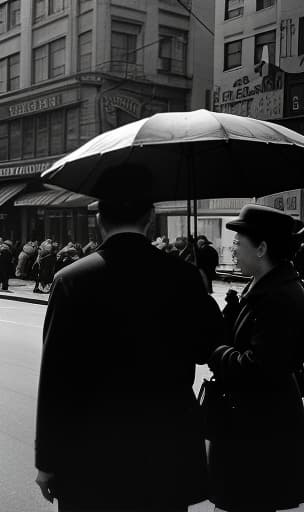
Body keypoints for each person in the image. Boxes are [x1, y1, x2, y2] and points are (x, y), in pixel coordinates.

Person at [35, 192, 224, 511]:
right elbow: (206, 348)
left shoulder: (70, 280)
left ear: (99, 220)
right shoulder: (182, 276)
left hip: (91, 450)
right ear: (150, 217)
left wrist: (47, 460)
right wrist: (198, 291)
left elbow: (55, 378)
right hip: (165, 449)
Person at [207, 204, 304, 512]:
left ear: (262, 248)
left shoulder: (280, 297)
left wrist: (217, 352)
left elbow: (258, 367)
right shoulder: (264, 287)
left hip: (259, 436)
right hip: (251, 428)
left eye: (239, 242)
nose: (233, 248)